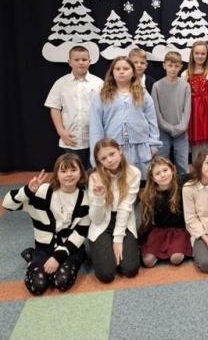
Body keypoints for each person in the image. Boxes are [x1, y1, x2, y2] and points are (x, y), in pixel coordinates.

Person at [3, 153, 90, 295]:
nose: (69, 174)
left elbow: (81, 233)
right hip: (44, 248)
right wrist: (28, 191)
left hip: (70, 248)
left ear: (81, 173)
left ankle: (78, 258)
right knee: (37, 286)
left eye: (73, 170)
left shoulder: (85, 198)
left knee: (61, 282)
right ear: (56, 175)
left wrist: (57, 258)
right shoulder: (43, 191)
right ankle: (33, 256)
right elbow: (7, 204)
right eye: (63, 171)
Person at [89, 56, 161, 180]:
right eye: (117, 69)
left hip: (141, 149)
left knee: (141, 183)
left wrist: (153, 146)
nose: (121, 71)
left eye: (126, 68)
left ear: (133, 72)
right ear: (112, 72)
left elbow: (152, 121)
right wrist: (97, 154)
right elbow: (96, 127)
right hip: (114, 150)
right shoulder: (102, 96)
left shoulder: (143, 94)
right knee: (118, 183)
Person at [88, 138, 141, 283]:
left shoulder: (134, 173)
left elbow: (125, 207)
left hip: (124, 220)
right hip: (102, 224)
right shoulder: (94, 177)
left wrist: (118, 239)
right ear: (99, 162)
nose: (109, 160)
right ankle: (102, 250)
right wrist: (99, 197)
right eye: (103, 158)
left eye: (112, 154)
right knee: (106, 275)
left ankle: (114, 250)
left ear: (120, 150)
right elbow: (96, 218)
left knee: (130, 269)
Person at [45, 45, 103, 168]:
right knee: (74, 170)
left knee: (94, 170)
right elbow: (54, 108)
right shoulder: (61, 83)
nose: (81, 62)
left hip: (94, 136)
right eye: (76, 60)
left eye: (84, 59)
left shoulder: (99, 83)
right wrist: (61, 131)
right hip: (71, 138)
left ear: (89, 61)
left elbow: (106, 109)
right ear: (69, 62)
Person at [139, 156, 192, 267]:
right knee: (148, 261)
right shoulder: (150, 193)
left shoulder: (181, 181)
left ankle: (177, 249)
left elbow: (200, 174)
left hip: (179, 230)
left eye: (165, 170)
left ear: (172, 170)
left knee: (176, 259)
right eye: (157, 173)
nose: (163, 175)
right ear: (153, 178)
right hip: (160, 230)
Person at [151, 51, 191, 175]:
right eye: (170, 65)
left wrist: (181, 128)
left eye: (176, 66)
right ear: (164, 66)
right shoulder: (157, 86)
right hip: (163, 133)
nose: (173, 69)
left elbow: (187, 110)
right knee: (161, 166)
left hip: (181, 132)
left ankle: (182, 187)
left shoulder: (185, 86)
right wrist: (167, 128)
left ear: (181, 67)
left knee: (183, 167)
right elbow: (156, 112)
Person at [182, 41, 208, 163]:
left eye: (203, 53)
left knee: (206, 146)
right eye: (197, 53)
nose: (200, 56)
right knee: (195, 146)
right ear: (192, 54)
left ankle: (207, 167)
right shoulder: (185, 74)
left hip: (207, 114)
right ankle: (196, 169)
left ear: (207, 55)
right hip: (193, 114)